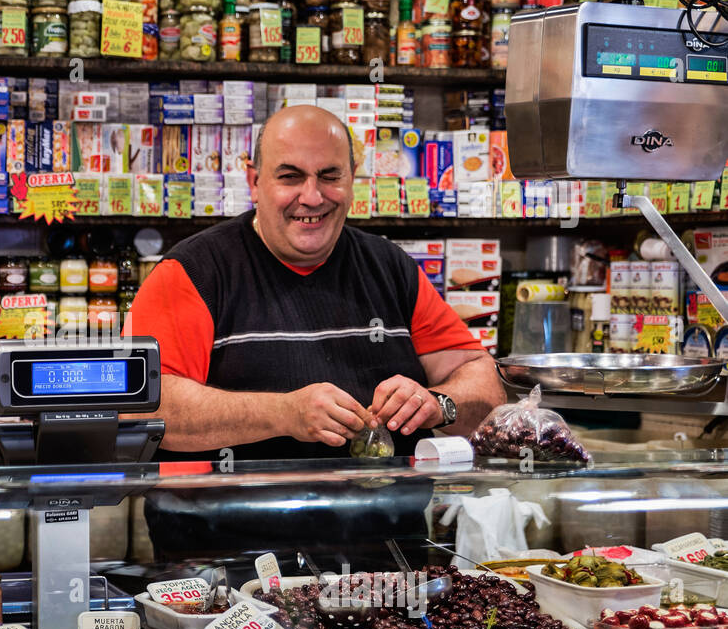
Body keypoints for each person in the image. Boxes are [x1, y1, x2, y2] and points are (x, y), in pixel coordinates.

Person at [124, 104, 505, 461]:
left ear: (352, 180)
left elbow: (486, 387)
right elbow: (145, 405)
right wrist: (283, 414)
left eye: (329, 176)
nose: (312, 197)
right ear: (254, 182)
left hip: (385, 528)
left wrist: (438, 404)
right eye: (290, 177)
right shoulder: (193, 272)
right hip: (227, 527)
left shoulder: (390, 267)